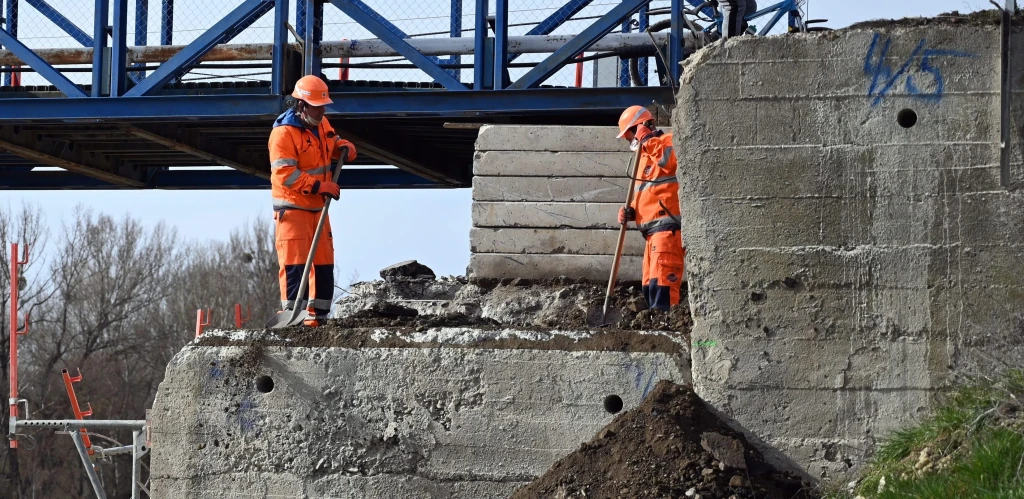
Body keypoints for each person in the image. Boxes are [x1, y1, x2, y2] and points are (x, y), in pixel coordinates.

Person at [268, 75, 358, 327]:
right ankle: (293, 320)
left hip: (318, 208)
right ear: (301, 105)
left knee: (324, 264)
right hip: (293, 209)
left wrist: (343, 146)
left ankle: (317, 319)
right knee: (296, 265)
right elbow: (285, 174)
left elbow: (330, 141)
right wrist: (320, 185)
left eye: (323, 106)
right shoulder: (283, 134)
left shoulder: (321, 123)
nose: (321, 111)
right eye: (316, 107)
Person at [615, 105, 685, 311]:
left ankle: (667, 329)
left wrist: (648, 140)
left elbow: (669, 161)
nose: (629, 141)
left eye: (629, 135)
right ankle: (655, 326)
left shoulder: (668, 142)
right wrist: (632, 211)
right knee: (650, 285)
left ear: (638, 128)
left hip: (668, 228)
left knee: (663, 285)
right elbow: (648, 192)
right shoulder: (643, 157)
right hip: (652, 234)